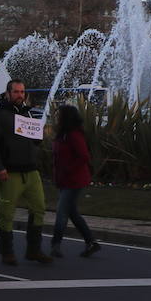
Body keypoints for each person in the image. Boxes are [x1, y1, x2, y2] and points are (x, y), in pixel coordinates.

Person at [0, 80, 51, 265]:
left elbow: (35, 141)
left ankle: (34, 250)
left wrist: (39, 133)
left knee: (39, 208)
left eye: (22, 92)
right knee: (6, 213)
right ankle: (7, 252)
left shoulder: (28, 113)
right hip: (10, 171)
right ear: (7, 93)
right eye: (16, 92)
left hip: (30, 170)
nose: (20, 95)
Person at [51, 104, 100, 258]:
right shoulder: (63, 135)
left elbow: (84, 156)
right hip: (65, 180)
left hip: (74, 180)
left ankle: (55, 244)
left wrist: (68, 169)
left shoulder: (73, 135)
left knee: (61, 212)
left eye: (59, 115)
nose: (57, 118)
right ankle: (91, 242)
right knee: (72, 212)